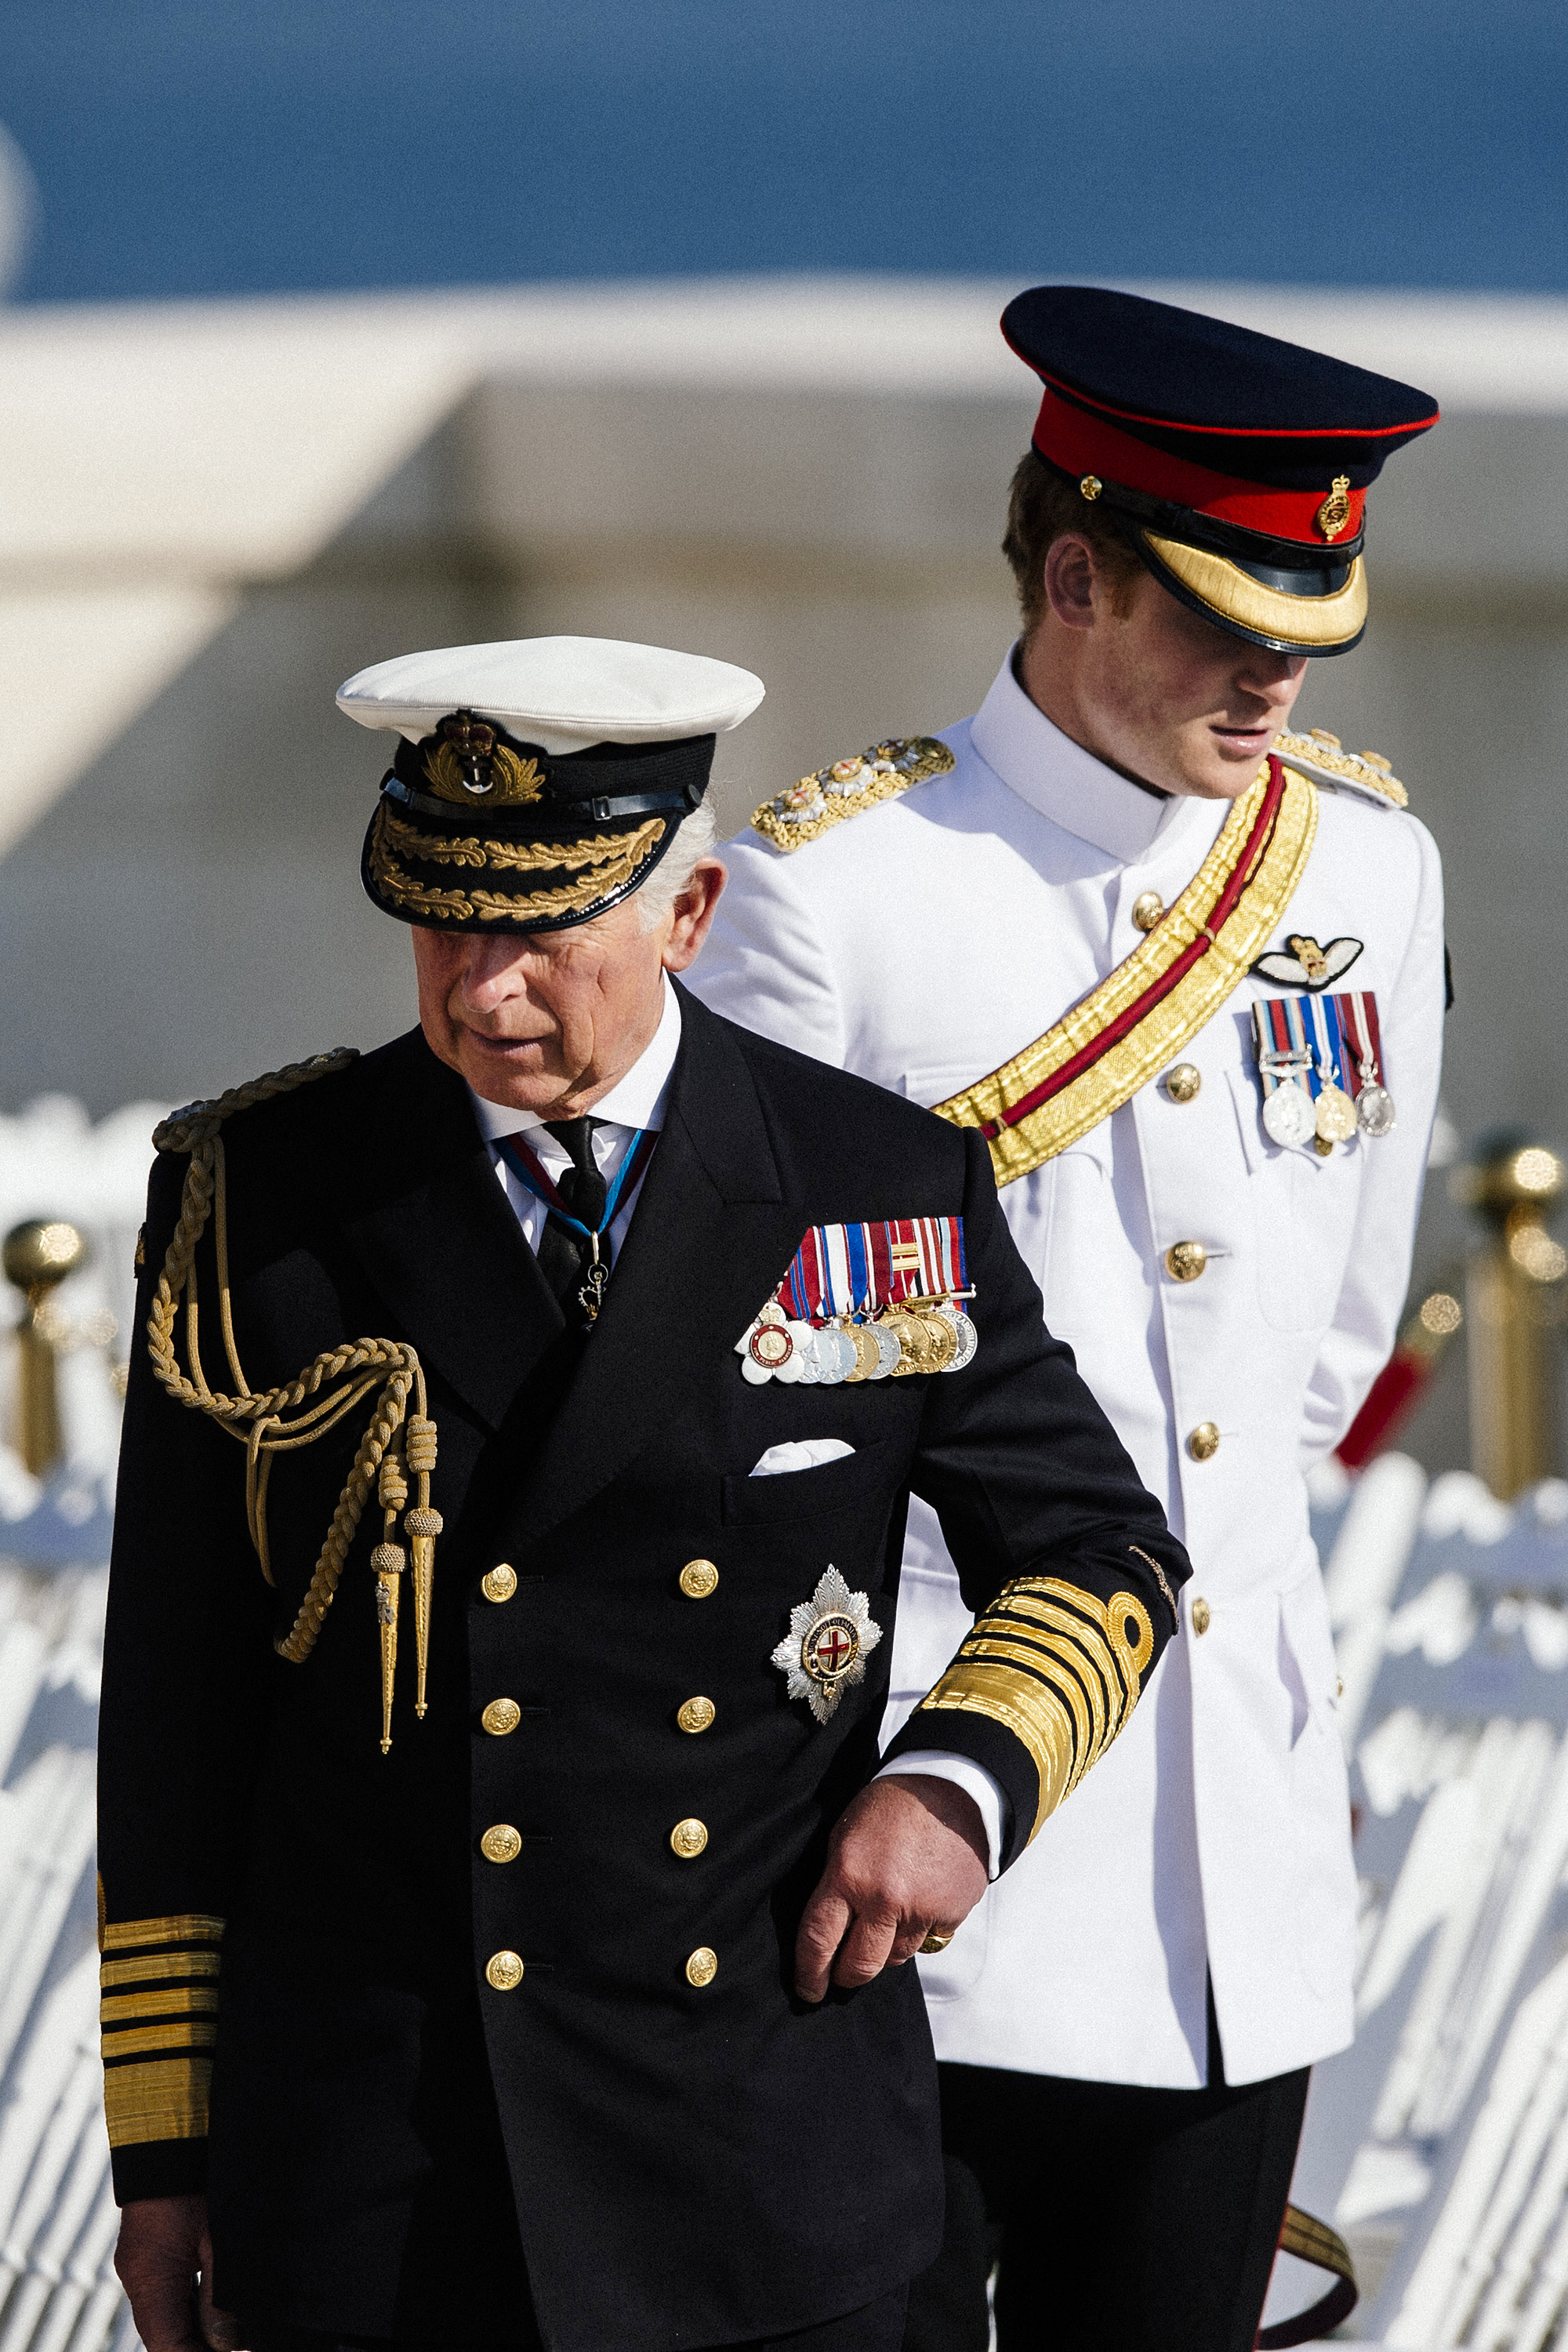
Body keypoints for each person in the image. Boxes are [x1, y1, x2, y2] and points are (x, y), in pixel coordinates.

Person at [99, 633, 1191, 2352]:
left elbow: (1098, 1548)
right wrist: (163, 2162)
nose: (485, 992)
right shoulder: (262, 1202)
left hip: (756, 2159)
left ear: (687, 915)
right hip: (381, 2183)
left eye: (543, 931)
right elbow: (178, 1714)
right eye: (444, 924)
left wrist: (960, 1783)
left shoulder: (865, 1181)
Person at [688, 289, 1447, 2351]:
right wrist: (913, 1763)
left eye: (1310, 624)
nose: (1276, 673)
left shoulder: (1371, 875)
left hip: (1231, 1868)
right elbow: (741, 1417)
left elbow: (1320, 1359)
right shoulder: (837, 901)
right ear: (1076, 569)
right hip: (912, 1847)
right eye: (1223, 618)